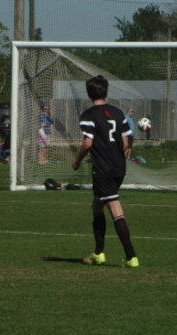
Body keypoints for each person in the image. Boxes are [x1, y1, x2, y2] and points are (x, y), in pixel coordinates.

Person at [72, 75, 138, 268]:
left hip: (103, 168)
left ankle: (131, 256)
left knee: (114, 208)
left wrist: (77, 160)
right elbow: (126, 141)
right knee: (97, 205)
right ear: (106, 92)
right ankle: (98, 253)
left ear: (88, 94)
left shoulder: (89, 115)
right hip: (118, 167)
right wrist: (122, 151)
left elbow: (88, 143)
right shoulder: (117, 113)